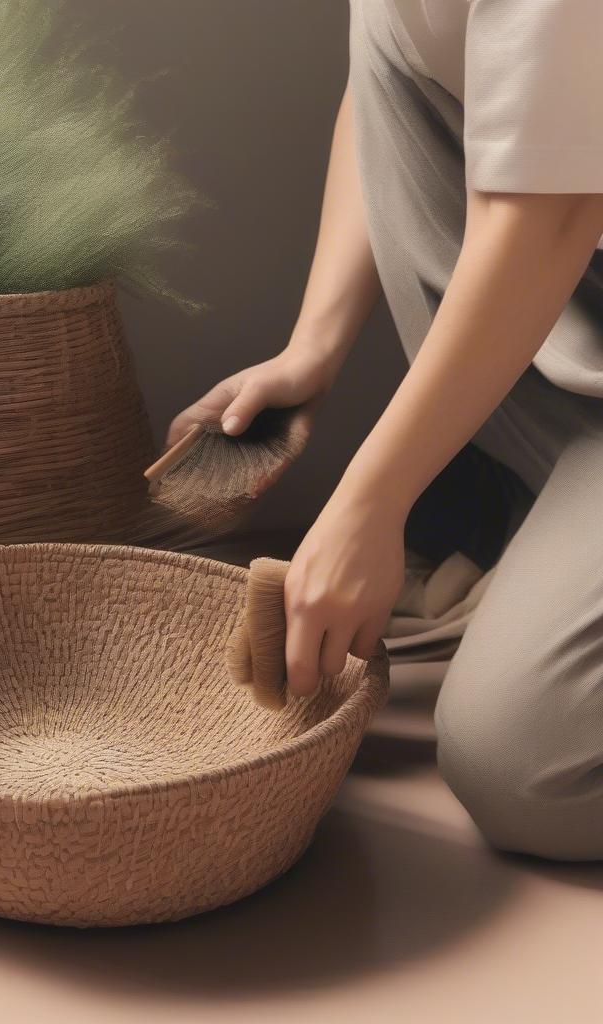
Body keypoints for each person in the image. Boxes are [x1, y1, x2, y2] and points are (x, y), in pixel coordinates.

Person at [169, 0, 603, 860]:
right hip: (573, 343)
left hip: (560, 259)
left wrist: (369, 502)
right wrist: (312, 350)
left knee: (523, 769)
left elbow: (550, 218)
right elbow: (400, 62)